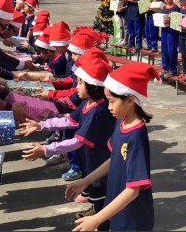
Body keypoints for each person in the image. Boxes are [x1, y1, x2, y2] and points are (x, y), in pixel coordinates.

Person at [20, 50, 116, 228]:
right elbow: (69, 120)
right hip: (91, 160)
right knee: (95, 194)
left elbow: (77, 141)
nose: (76, 87)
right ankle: (96, 214)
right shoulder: (88, 104)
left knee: (101, 195)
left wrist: (46, 149)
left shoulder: (98, 110)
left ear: (93, 85)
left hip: (101, 164)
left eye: (80, 83)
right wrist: (40, 125)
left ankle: (102, 223)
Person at [66, 62, 157, 231]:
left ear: (130, 99)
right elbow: (114, 159)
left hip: (132, 218)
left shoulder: (136, 135)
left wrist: (96, 219)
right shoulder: (120, 123)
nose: (108, 107)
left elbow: (133, 190)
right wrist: (85, 182)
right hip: (117, 209)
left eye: (112, 101)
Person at [159, 0, 179, 78]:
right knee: (164, 49)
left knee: (171, 49)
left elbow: (177, 22)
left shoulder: (175, 8)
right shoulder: (164, 7)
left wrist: (170, 21)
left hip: (172, 32)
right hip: (164, 30)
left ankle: (172, 69)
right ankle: (165, 67)